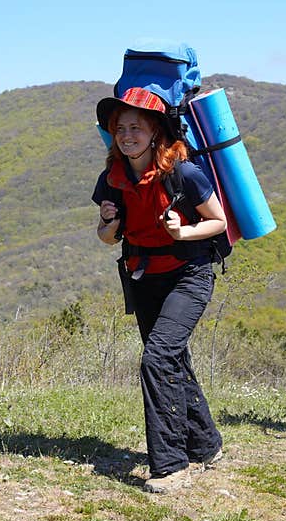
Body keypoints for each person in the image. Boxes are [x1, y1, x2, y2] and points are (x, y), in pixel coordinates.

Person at [91, 87, 226, 494]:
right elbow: (106, 237)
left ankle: (170, 465)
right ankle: (206, 445)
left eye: (136, 127)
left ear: (156, 134)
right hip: (144, 275)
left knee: (157, 359)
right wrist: (109, 223)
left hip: (190, 273)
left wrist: (183, 231)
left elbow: (218, 221)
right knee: (171, 360)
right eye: (120, 128)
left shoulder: (183, 173)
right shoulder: (112, 177)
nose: (127, 135)